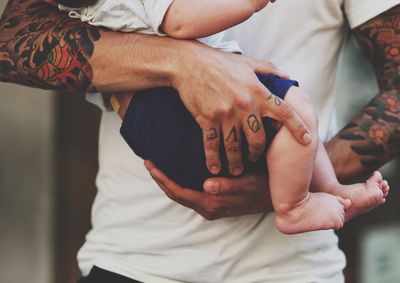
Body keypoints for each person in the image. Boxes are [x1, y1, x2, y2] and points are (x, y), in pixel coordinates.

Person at [0, 0, 399, 282]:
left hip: (292, 269)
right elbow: (13, 42)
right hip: (134, 261)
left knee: (292, 111)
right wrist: (181, 63)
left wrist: (278, 187)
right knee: (292, 109)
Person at [57, 0, 389, 234]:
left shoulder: (90, 11)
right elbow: (181, 20)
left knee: (292, 117)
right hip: (170, 117)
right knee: (295, 110)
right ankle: (295, 206)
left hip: (152, 129)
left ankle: (326, 189)